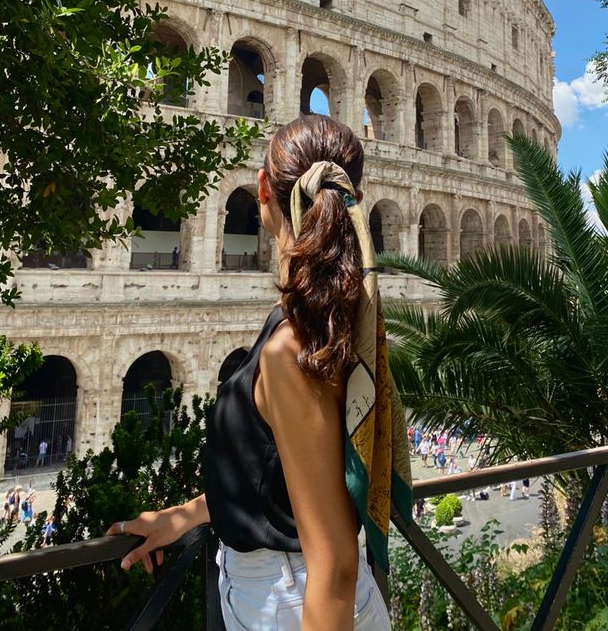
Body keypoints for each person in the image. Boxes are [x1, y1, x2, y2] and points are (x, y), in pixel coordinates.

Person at [107, 115, 412, 630]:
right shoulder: (332, 321)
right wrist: (191, 514)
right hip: (291, 591)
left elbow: (333, 564)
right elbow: (290, 478)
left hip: (296, 603)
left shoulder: (293, 347)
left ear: (263, 188)